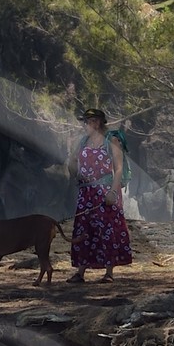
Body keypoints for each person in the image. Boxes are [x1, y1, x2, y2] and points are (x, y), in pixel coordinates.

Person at [69, 101, 132, 282]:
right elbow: (73, 162)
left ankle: (109, 272)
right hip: (86, 191)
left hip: (105, 191)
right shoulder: (83, 142)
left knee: (107, 229)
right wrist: (73, 169)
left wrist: (113, 191)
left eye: (90, 121)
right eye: (86, 121)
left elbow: (118, 168)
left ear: (98, 122)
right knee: (83, 228)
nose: (87, 125)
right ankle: (80, 271)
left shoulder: (111, 140)